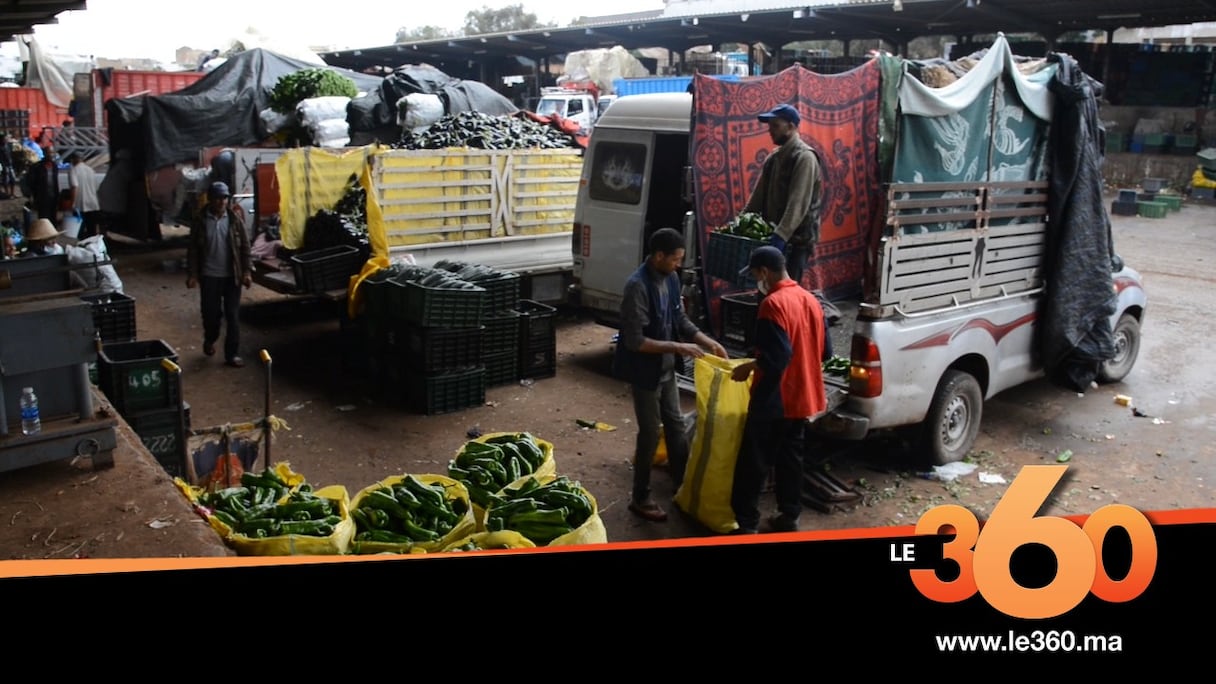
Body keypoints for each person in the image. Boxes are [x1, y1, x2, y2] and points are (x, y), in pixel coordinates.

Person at [614, 227, 728, 522]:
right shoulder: (636, 287)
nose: (679, 264)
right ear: (659, 256)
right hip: (645, 374)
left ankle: (683, 485)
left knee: (677, 428)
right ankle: (640, 496)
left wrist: (706, 340)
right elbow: (635, 341)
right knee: (650, 434)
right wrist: (678, 347)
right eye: (675, 259)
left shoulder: (672, 278)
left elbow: (679, 318)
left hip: (666, 371)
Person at [729, 246, 828, 534]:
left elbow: (777, 358)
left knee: (754, 462)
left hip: (775, 398)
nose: (755, 281)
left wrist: (748, 368)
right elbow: (825, 351)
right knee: (790, 460)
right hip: (803, 397)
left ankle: (747, 524)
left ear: (764, 272)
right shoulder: (810, 299)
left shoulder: (772, 305)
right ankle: (789, 516)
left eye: (755, 274)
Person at [743, 103, 823, 287]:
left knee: (787, 291)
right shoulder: (774, 158)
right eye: (769, 126)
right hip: (774, 237)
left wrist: (780, 237)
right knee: (766, 290)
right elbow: (757, 198)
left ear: (792, 126)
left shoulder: (805, 158)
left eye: (775, 125)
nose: (770, 131)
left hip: (796, 241)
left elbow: (798, 204)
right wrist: (738, 223)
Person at [186, 181, 253, 368]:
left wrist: (246, 272)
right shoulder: (200, 221)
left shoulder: (234, 221)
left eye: (224, 198)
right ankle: (210, 339)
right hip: (209, 277)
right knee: (211, 315)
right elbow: (193, 251)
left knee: (232, 316)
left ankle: (232, 354)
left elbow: (245, 248)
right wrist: (192, 274)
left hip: (232, 276)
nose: (221, 202)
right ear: (210, 199)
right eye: (218, 198)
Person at [66, 153, 102, 239]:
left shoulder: (73, 170)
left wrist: (72, 204)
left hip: (80, 205)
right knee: (92, 230)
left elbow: (74, 187)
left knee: (80, 231)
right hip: (93, 204)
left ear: (74, 159)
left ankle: (83, 247)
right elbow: (96, 187)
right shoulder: (91, 170)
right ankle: (93, 247)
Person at [24, 151, 60, 227]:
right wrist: (32, 195)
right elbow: (31, 182)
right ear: (45, 154)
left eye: (52, 153)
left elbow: (56, 181)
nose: (51, 155)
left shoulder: (54, 166)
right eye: (49, 153)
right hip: (42, 196)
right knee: (43, 216)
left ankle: (52, 230)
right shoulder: (37, 167)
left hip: (53, 195)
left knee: (53, 215)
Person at [0, 132, 17, 199]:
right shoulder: (0, 147)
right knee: (6, 180)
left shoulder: (9, 145)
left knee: (13, 179)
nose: (5, 140)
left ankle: (12, 193)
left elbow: (12, 154)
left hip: (10, 165)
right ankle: (7, 193)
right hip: (3, 165)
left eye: (6, 138)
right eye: (4, 139)